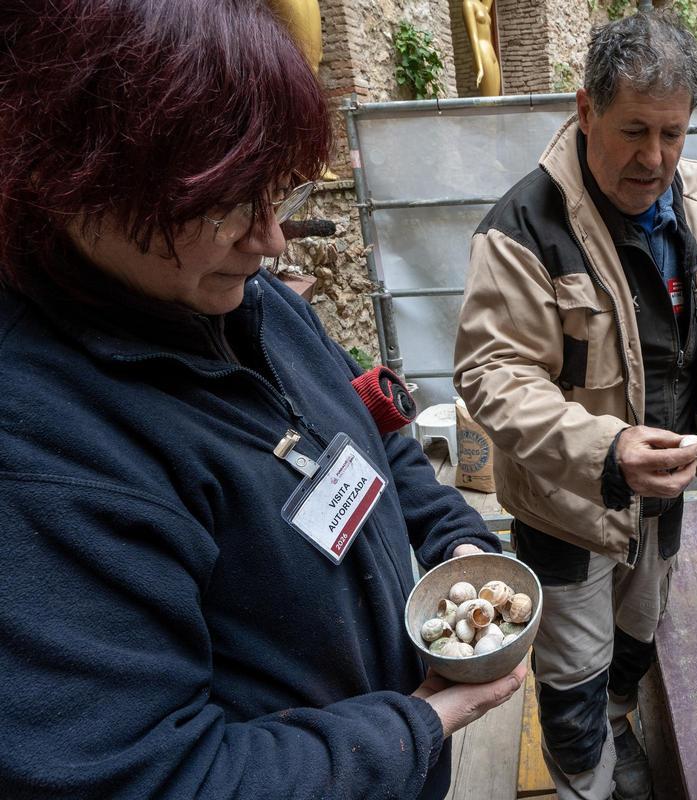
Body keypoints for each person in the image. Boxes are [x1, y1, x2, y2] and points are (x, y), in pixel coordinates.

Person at [0, 2, 522, 798]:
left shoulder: (247, 300)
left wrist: (453, 537)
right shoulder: (45, 455)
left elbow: (372, 428)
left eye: (273, 191)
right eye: (228, 201)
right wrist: (415, 725)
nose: (272, 239)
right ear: (81, 171)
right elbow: (158, 777)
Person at [454, 12, 697, 800]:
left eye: (673, 134)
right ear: (585, 110)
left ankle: (619, 722)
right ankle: (588, 782)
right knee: (572, 672)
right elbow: (492, 373)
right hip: (569, 506)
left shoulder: (690, 207)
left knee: (636, 640)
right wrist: (606, 450)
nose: (654, 158)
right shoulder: (525, 227)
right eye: (633, 131)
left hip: (664, 494)